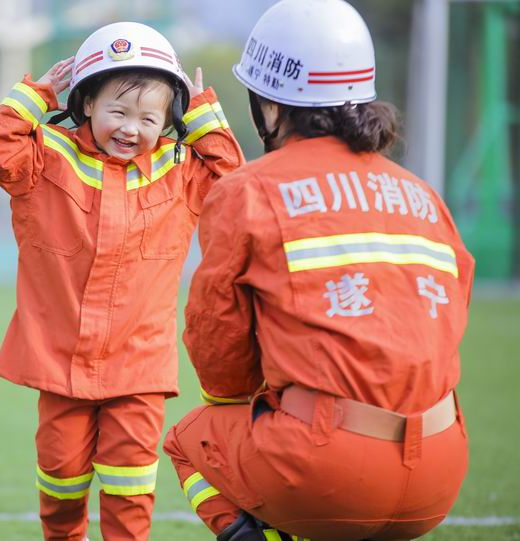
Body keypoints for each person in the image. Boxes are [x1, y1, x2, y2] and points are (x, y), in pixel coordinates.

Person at [162, 1, 475, 540]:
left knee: (190, 438)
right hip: (441, 470)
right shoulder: (424, 195)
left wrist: (268, 401)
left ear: (272, 106)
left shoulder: (249, 190)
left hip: (328, 470)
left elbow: (219, 351)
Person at [0, 21, 244, 540]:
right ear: (87, 102)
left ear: (169, 119)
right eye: (118, 110)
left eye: (149, 117)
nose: (131, 128)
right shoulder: (46, 155)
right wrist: (37, 93)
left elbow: (234, 187)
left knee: (130, 494)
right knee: (60, 486)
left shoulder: (179, 169)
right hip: (60, 365)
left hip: (138, 370)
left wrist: (205, 114)